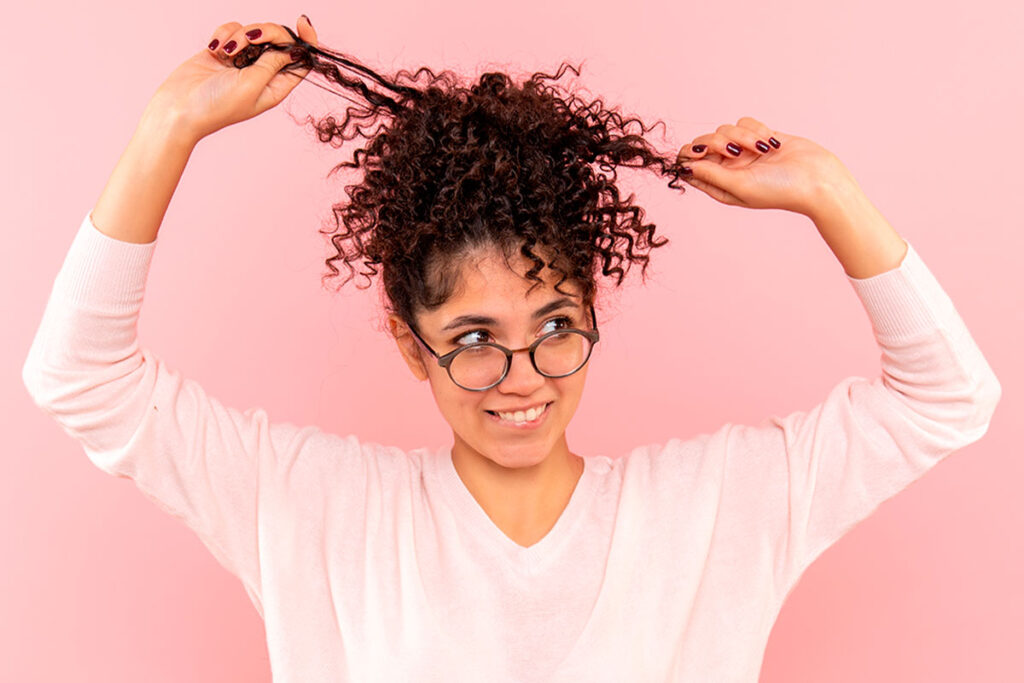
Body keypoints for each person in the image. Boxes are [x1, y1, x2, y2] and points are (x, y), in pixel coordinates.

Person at [22, 16, 1002, 682]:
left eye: (555, 330)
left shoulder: (719, 508)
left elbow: (947, 398)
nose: (522, 378)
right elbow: (79, 376)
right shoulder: (314, 508)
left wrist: (827, 189)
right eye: (474, 340)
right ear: (412, 344)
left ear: (590, 316)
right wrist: (168, 126)